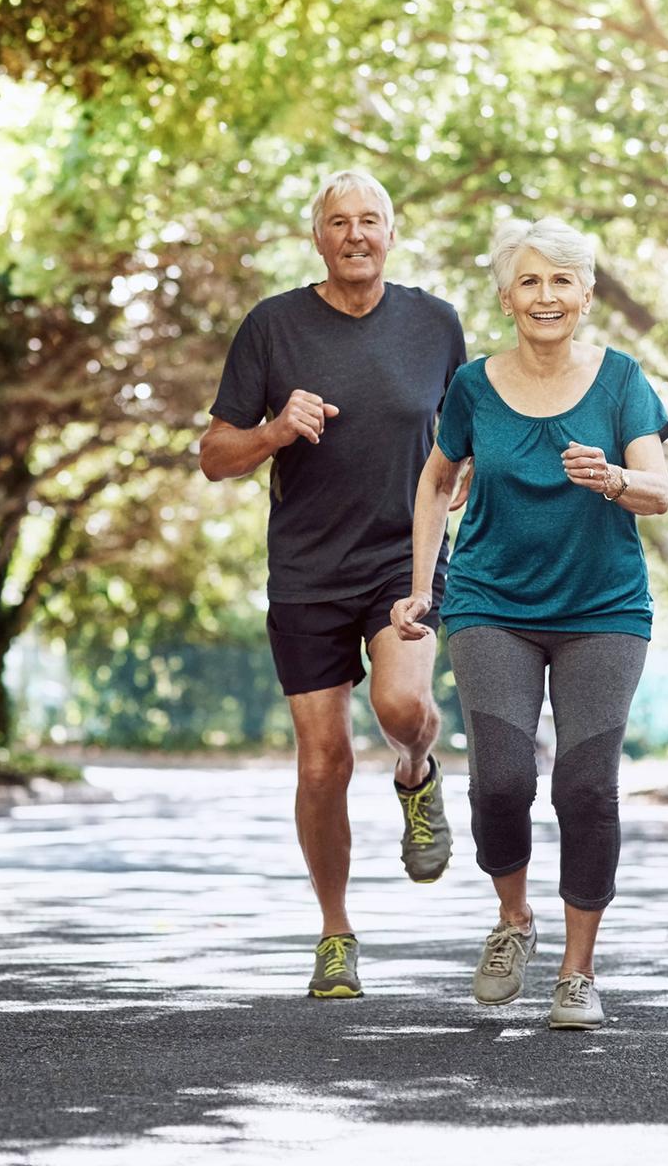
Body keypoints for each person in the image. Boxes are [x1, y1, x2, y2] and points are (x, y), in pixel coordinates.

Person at [391, 216, 668, 1029]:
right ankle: (513, 921)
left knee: (585, 787)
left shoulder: (622, 380)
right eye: (529, 281)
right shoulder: (475, 386)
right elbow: (436, 482)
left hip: (603, 608)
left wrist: (614, 477)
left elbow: (659, 489)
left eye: (561, 281)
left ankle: (578, 973)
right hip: (491, 603)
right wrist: (422, 588)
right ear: (506, 296)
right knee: (505, 780)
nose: (545, 296)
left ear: (585, 294)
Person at [199, 170, 467, 999]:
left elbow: (464, 438)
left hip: (404, 558)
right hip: (308, 567)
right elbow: (213, 456)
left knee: (402, 710)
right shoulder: (273, 327)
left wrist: (466, 481)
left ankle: (417, 774)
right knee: (322, 763)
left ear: (392, 232)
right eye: (339, 222)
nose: (356, 235)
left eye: (371, 221)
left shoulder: (434, 324)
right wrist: (277, 429)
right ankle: (336, 935)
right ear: (317, 237)